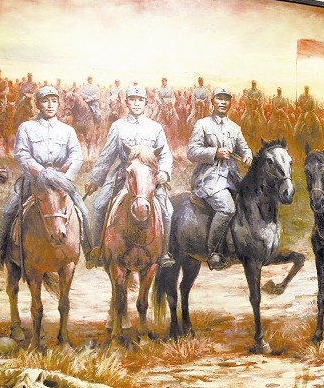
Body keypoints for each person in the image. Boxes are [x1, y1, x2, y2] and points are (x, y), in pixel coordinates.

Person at [0, 86, 91, 262]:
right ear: (37, 104)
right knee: (7, 211)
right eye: (45, 101)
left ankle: (89, 251)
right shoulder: (26, 127)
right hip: (33, 180)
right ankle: (0, 251)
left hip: (61, 181)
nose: (50, 105)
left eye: (54, 101)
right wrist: (41, 172)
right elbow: (21, 154)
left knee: (83, 211)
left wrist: (66, 178)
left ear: (59, 104)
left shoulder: (68, 130)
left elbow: (76, 156)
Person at [84, 85, 175, 268]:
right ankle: (98, 250)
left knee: (168, 210)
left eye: (140, 100)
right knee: (99, 205)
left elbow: (165, 155)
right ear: (126, 103)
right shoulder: (118, 126)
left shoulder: (155, 128)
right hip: (124, 176)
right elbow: (107, 155)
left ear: (146, 103)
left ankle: (164, 252)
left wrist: (164, 172)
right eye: (132, 100)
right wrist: (95, 180)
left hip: (149, 178)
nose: (136, 103)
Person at [186, 86, 253, 270]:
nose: (223, 102)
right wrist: (215, 152)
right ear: (212, 102)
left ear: (230, 103)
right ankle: (213, 253)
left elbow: (245, 148)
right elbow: (191, 152)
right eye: (219, 98)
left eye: (226, 99)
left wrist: (248, 156)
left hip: (232, 178)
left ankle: (240, 246)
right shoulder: (202, 124)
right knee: (227, 208)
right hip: (209, 179)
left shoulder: (235, 128)